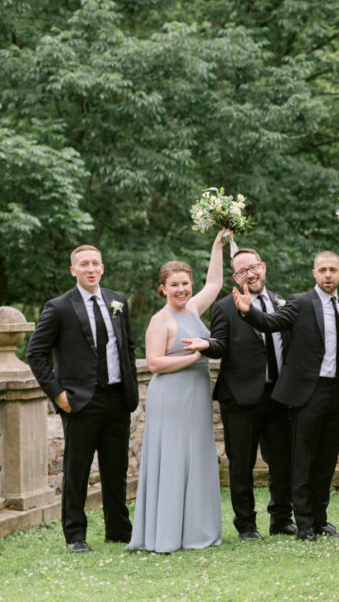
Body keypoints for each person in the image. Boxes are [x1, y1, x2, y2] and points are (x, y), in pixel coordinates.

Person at [232, 250, 339, 542]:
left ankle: (321, 520)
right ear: (314, 274)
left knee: (327, 459)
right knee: (303, 459)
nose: (328, 275)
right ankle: (304, 523)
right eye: (323, 270)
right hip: (309, 392)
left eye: (333, 269)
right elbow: (273, 324)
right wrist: (248, 311)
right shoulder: (300, 302)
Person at [27, 244, 140, 553]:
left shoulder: (118, 301)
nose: (91, 269)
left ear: (102, 268)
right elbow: (35, 354)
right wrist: (58, 394)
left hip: (117, 398)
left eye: (95, 263)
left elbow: (127, 346)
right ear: (73, 270)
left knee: (116, 469)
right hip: (80, 401)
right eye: (84, 264)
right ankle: (76, 535)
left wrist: (130, 386)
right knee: (77, 470)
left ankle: (119, 530)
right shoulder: (59, 306)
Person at [185, 248, 295, 540]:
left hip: (279, 397)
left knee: (283, 461)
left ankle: (282, 519)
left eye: (254, 267)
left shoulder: (283, 303)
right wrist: (206, 344)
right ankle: (246, 525)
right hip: (241, 399)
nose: (251, 274)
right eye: (243, 271)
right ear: (235, 277)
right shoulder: (224, 307)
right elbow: (220, 345)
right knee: (241, 465)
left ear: (264, 266)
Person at [128, 230, 225, 553]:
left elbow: (214, 284)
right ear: (163, 289)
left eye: (185, 283)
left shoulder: (194, 310)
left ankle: (194, 531)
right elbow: (154, 363)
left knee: (196, 458)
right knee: (172, 459)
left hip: (196, 397)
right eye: (174, 285)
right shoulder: (161, 319)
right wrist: (197, 354)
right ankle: (166, 534)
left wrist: (217, 245)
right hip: (170, 396)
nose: (182, 289)